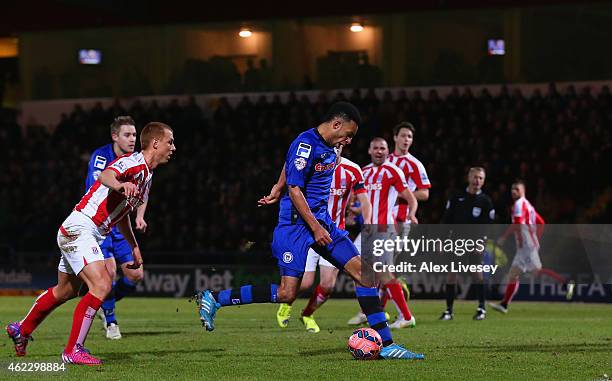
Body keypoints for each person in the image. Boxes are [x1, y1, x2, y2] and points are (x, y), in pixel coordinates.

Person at [195, 102, 424, 360]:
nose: (349, 140)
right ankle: (215, 298)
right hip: (295, 225)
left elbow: (289, 163)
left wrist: (276, 186)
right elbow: (296, 190)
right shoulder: (306, 143)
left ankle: (387, 344)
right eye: (348, 134)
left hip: (321, 221)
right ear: (336, 124)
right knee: (287, 293)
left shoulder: (330, 147)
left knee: (366, 275)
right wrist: (309, 221)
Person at [6, 122, 175, 365]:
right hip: (81, 228)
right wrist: (119, 184)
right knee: (102, 284)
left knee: (65, 291)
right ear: (156, 143)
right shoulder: (133, 162)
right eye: (170, 142)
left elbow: (123, 212)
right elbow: (107, 175)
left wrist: (134, 246)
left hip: (86, 231)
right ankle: (73, 350)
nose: (173, 147)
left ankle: (21, 329)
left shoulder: (147, 175)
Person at [273, 149, 372, 333]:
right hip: (309, 230)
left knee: (327, 285)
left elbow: (364, 200)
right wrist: (278, 187)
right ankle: (288, 302)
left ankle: (307, 314)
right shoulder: (314, 163)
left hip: (333, 235)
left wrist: (367, 223)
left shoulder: (353, 170)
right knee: (305, 283)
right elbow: (292, 167)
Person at [86, 116, 148, 340]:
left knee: (136, 275)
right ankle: (111, 321)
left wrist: (140, 215)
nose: (133, 139)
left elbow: (144, 191)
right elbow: (99, 183)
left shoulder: (136, 160)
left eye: (134, 135)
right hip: (101, 223)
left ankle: (103, 304)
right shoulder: (101, 156)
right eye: (127, 135)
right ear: (115, 136)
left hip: (121, 224)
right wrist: (121, 186)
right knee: (109, 273)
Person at [347, 137, 419, 329]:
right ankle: (372, 312)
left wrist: (411, 214)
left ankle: (406, 316)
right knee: (356, 269)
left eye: (383, 148)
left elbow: (411, 199)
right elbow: (359, 201)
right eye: (376, 148)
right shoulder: (363, 172)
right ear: (370, 151)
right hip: (367, 230)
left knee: (383, 272)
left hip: (385, 228)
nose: (379, 151)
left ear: (387, 151)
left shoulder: (393, 171)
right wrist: (353, 214)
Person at [489, 181, 574, 314]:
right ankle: (504, 304)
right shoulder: (528, 206)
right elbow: (541, 223)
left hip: (525, 245)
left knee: (535, 271)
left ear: (523, 191)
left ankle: (566, 282)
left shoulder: (518, 204)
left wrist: (504, 237)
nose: (513, 191)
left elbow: (517, 224)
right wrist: (535, 239)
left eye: (516, 189)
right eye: (512, 189)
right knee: (514, 275)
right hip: (526, 245)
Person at [384, 121, 431, 327]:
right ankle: (381, 308)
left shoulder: (415, 164)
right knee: (382, 265)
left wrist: (402, 194)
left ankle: (400, 313)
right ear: (395, 137)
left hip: (401, 220)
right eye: (403, 135)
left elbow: (425, 193)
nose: (406, 140)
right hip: (380, 219)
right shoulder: (384, 160)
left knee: (383, 265)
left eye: (409, 137)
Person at [439, 167, 495, 321]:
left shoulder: (485, 201)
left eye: (481, 178)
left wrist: (481, 242)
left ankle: (481, 308)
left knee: (477, 274)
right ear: (469, 178)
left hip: (474, 243)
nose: (478, 181)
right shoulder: (457, 197)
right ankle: (449, 310)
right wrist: (441, 240)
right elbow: (447, 220)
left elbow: (488, 225)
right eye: (475, 177)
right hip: (456, 242)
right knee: (451, 275)